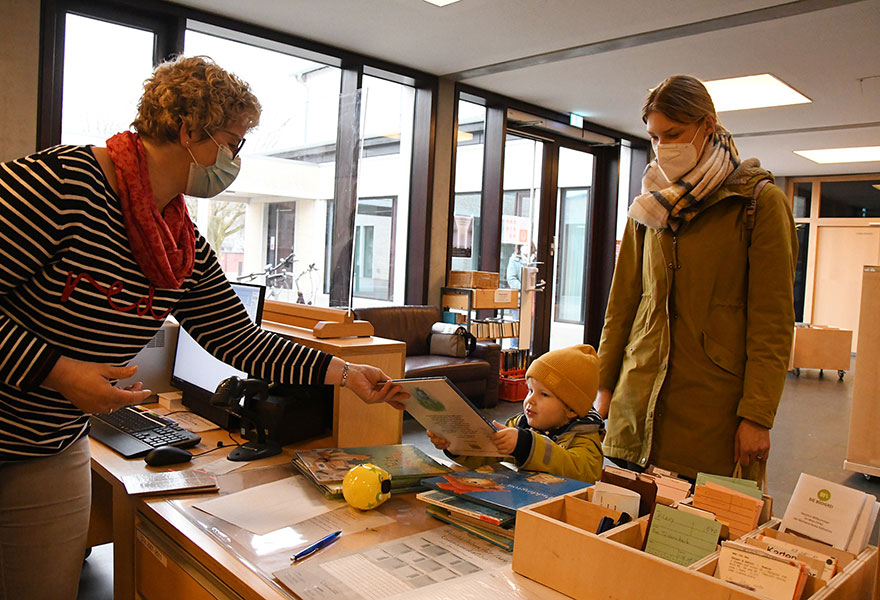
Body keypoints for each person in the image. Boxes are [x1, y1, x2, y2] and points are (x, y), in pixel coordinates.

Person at [0, 55, 405, 600]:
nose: (235, 160)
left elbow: (237, 338)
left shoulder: (178, 242)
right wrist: (59, 372)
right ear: (188, 130)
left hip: (50, 442)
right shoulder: (61, 183)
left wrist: (344, 370)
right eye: (232, 142)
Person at [595, 74, 797, 482]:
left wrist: (758, 415)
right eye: (654, 137)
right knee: (619, 530)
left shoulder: (758, 203)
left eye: (674, 134)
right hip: (635, 404)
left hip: (713, 412)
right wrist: (603, 386)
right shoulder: (649, 207)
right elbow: (622, 305)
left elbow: (771, 322)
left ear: (707, 125)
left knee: (700, 535)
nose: (662, 148)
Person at [428, 345, 604, 483]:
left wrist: (526, 445)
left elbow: (578, 472)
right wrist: (457, 444)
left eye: (544, 394)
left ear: (572, 409)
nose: (530, 400)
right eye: (530, 390)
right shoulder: (520, 425)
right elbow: (488, 458)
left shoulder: (584, 438)